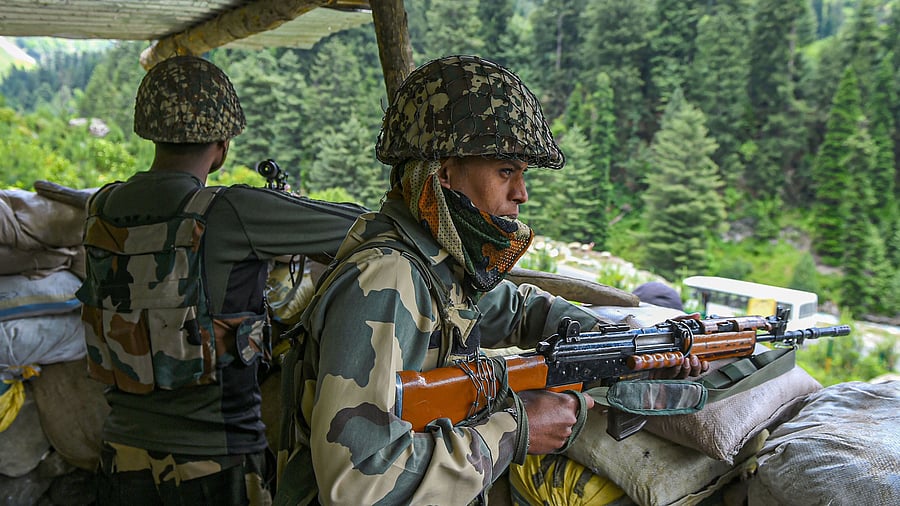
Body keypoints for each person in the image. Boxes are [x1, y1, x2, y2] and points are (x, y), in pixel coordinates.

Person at [275, 55, 705, 505]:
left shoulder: (437, 265)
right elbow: (360, 482)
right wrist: (515, 429)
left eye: (522, 174)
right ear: (443, 172)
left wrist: (632, 346)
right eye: (505, 171)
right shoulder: (387, 279)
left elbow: (519, 309)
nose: (521, 193)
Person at [75, 55, 366, 505]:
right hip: (216, 462)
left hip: (121, 457)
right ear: (223, 144)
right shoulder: (229, 211)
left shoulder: (102, 206)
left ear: (149, 130)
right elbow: (364, 226)